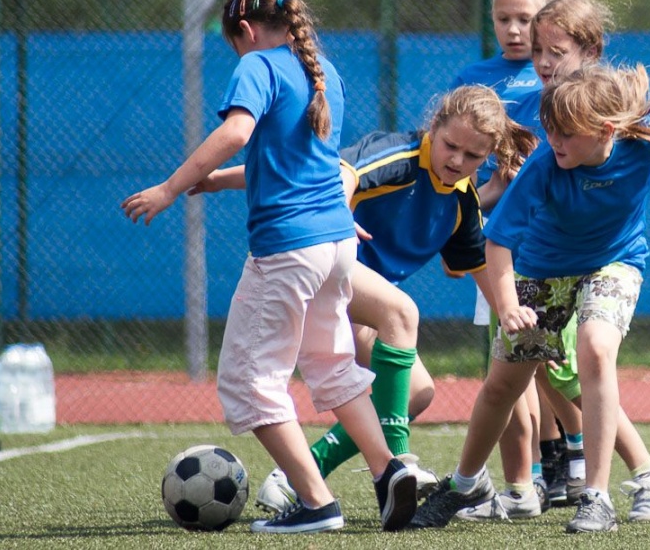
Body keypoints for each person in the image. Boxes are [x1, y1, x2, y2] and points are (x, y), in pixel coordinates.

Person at [121, 0, 417, 534]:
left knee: (248, 381)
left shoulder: (257, 64)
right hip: (336, 245)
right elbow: (300, 164)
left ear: (246, 29)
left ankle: (316, 504)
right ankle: (388, 472)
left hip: (289, 249)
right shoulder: (321, 71)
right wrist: (212, 183)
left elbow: (237, 132)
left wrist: (168, 188)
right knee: (332, 367)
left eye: (233, 40)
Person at [409, 62, 650, 534]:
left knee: (595, 347)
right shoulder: (544, 167)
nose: (553, 141)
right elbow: (497, 243)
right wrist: (509, 303)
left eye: (564, 134)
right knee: (502, 386)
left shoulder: (647, 141)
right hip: (542, 269)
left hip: (614, 262)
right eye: (550, 129)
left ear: (604, 131)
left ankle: (595, 497)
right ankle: (465, 482)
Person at [191, 85, 538, 514]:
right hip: (314, 255)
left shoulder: (463, 201)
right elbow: (339, 174)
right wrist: (339, 213)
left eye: (472, 157)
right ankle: (397, 464)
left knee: (418, 392)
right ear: (434, 127)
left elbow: (482, 269)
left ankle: (298, 477)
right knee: (401, 311)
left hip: (352, 296)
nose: (457, 161)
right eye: (450, 146)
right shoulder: (398, 154)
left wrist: (517, 319)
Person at [514, 0, 650, 523]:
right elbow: (511, 184)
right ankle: (583, 471)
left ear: (590, 53)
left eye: (554, 50)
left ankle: (594, 483)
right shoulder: (529, 105)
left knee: (585, 358)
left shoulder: (621, 125)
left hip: (596, 265)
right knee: (545, 370)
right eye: (536, 48)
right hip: (534, 259)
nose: (542, 60)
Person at [449, 0, 560, 522]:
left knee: (558, 367)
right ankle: (527, 484)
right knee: (509, 365)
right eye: (504, 19)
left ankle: (572, 468)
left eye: (527, 19)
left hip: (560, 244)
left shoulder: (561, 77)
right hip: (504, 245)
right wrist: (488, 193)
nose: (515, 30)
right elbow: (464, 173)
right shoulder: (476, 79)